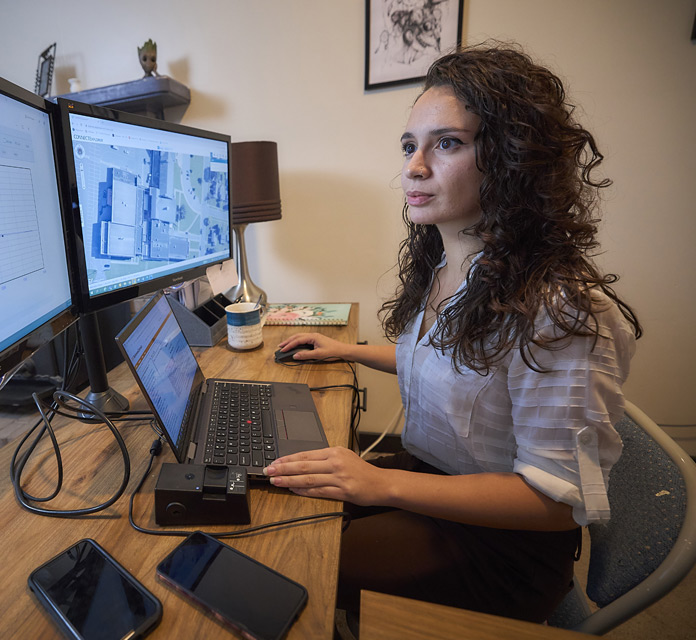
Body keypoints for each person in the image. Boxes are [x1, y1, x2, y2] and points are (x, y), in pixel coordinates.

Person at [269, 42, 642, 623]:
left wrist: (379, 485)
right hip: (435, 490)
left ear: (513, 158)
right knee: (274, 502)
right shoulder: (451, 267)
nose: (414, 167)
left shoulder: (560, 310)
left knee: (287, 557)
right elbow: (451, 361)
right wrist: (349, 350)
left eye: (447, 143)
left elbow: (554, 501)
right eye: (409, 145)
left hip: (500, 551)